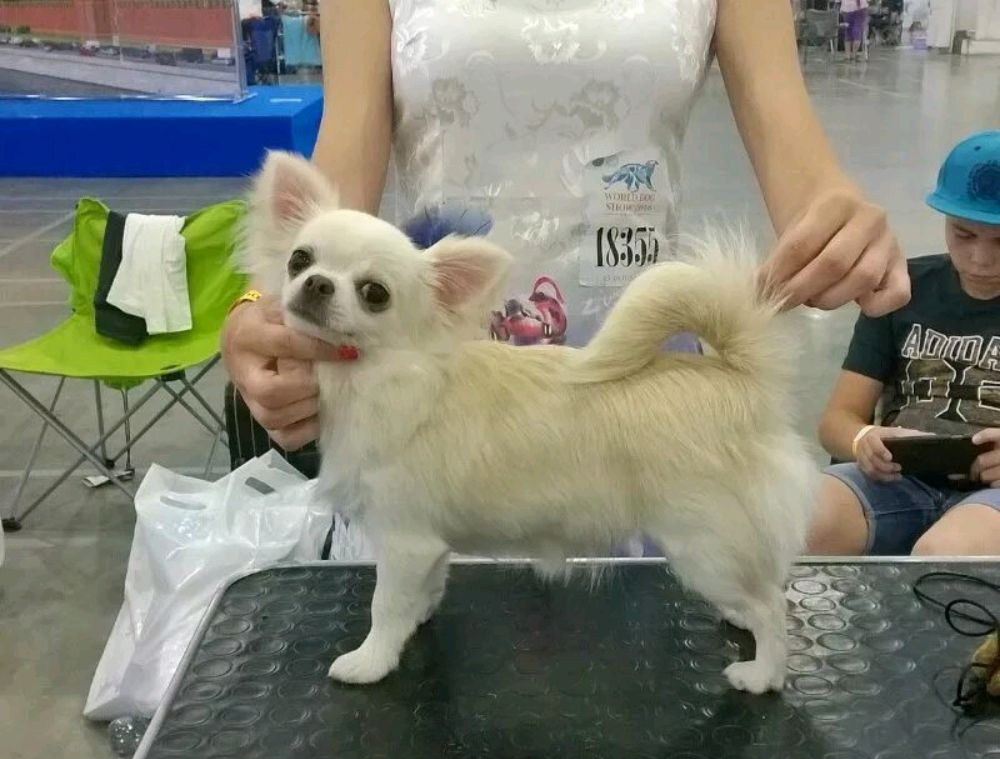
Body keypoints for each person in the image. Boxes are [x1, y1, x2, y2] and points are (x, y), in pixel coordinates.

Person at [222, 0, 909, 470]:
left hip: (641, 388)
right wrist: (260, 309)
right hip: (437, 392)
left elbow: (798, 155)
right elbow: (344, 163)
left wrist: (841, 223)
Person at [808, 130, 1000, 557]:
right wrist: (864, 440)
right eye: (964, 235)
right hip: (896, 482)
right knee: (797, 523)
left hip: (992, 498)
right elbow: (837, 421)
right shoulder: (903, 289)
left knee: (946, 553)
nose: (981, 259)